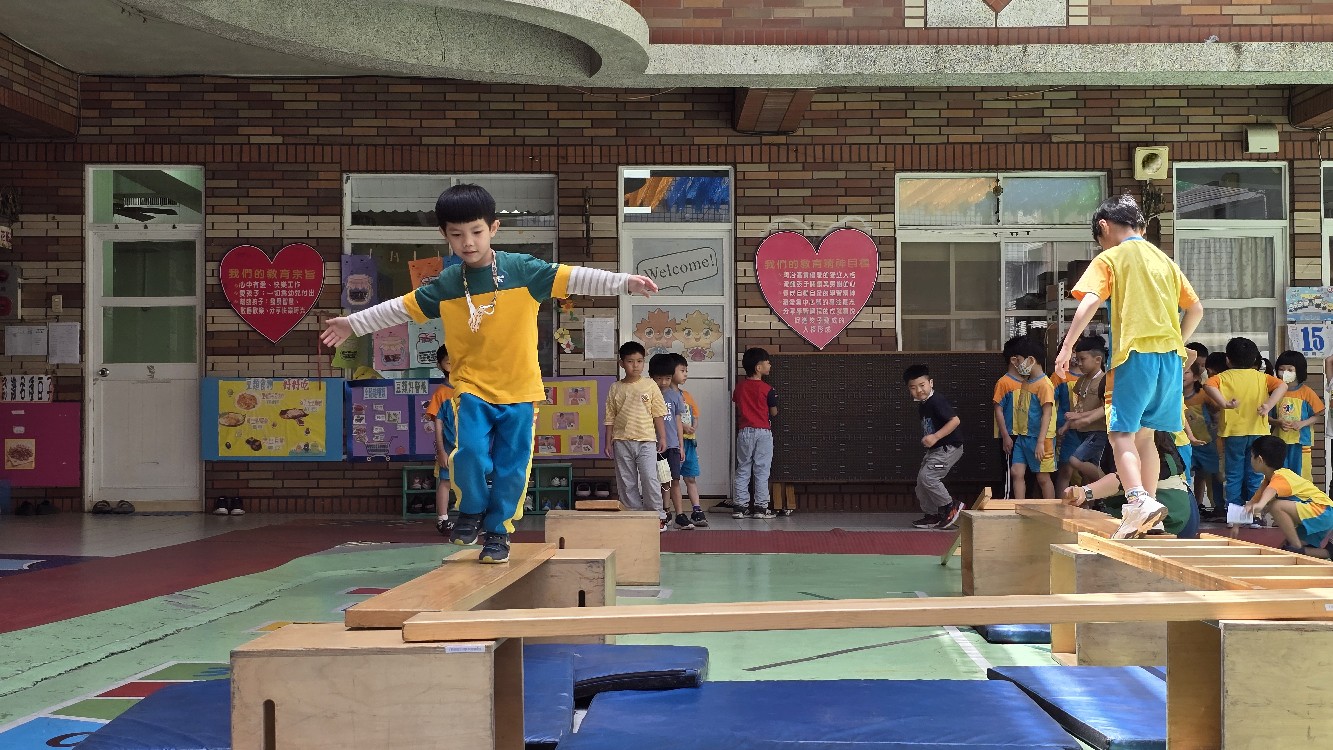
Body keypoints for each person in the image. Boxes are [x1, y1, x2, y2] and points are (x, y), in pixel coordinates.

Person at [320, 184, 659, 563]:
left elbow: (574, 277)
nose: (468, 242)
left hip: (521, 391)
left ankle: (498, 532)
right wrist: (353, 323)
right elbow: (399, 308)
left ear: (494, 228)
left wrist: (624, 282)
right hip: (472, 388)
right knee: (469, 454)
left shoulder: (523, 270)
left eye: (476, 231)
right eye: (457, 234)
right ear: (444, 235)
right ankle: (471, 510)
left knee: (513, 467)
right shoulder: (447, 284)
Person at [1055, 194, 1204, 539]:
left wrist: (1068, 345)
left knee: (1120, 433)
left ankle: (1137, 500)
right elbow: (1196, 309)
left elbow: (1091, 300)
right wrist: (1177, 344)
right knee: (1147, 436)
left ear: (1104, 227)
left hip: (1135, 355)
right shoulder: (1165, 261)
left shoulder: (1112, 257)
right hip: (1170, 359)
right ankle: (1150, 513)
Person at [1202, 336, 1287, 535]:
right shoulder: (1261, 377)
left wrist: (1224, 404)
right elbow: (1282, 386)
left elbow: (1207, 385)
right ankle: (1254, 515)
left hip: (1233, 433)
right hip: (1259, 432)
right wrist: (1268, 405)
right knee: (1255, 475)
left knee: (1233, 475)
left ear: (1228, 359)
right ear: (1255, 359)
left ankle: (1235, 517)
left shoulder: (1223, 377)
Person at [1065, 431, 1199, 538]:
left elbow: (1120, 479)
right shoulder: (1156, 431)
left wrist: (1085, 492)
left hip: (1170, 516)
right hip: (1185, 511)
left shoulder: (1127, 436)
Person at [605, 342, 668, 521]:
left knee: (649, 478)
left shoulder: (650, 385)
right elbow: (610, 416)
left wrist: (662, 437)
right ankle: (632, 514)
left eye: (639, 361)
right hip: (621, 440)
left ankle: (656, 515)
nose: (635, 365)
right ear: (622, 363)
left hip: (646, 440)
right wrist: (607, 441)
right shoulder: (615, 387)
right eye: (630, 361)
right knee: (626, 480)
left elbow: (658, 413)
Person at [1245, 435, 1333, 556]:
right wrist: (1237, 522)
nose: (1250, 460)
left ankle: (1296, 548)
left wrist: (1261, 505)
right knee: (1287, 548)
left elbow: (1271, 490)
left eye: (1251, 456)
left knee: (1276, 506)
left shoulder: (1281, 475)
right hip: (1321, 514)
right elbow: (1252, 502)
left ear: (1260, 459)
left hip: (1322, 511)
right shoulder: (1268, 480)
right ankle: (1319, 552)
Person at [903, 364, 966, 530]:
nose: (919, 390)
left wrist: (936, 436)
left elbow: (955, 421)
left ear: (931, 383)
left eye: (922, 385)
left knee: (928, 477)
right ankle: (933, 515)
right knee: (921, 483)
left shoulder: (936, 401)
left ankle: (950, 506)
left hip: (948, 447)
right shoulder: (923, 404)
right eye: (913, 388)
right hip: (936, 450)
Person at [994, 335, 1056, 500]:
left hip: (1040, 438)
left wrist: (1041, 442)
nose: (1017, 364)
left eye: (1019, 360)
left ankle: (1052, 509)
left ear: (1031, 360)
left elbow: (1047, 413)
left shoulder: (1045, 384)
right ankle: (1018, 506)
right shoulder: (1026, 382)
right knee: (1016, 471)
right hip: (1023, 436)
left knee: (1043, 477)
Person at [733, 347, 777, 519]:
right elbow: (773, 412)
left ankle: (740, 506)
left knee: (743, 468)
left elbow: (738, 404)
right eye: (767, 362)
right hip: (763, 432)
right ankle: (760, 507)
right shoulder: (768, 389)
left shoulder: (739, 388)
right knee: (762, 469)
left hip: (744, 431)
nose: (770, 365)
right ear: (759, 367)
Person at [650, 353, 693, 530]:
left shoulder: (675, 396)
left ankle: (680, 515)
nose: (663, 383)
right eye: (659, 378)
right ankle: (665, 512)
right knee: (662, 480)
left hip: (673, 445)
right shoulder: (649, 394)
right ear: (651, 377)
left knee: (675, 480)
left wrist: (681, 445)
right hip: (655, 445)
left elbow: (677, 420)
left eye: (667, 378)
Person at [1270, 350, 1324, 481]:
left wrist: (1302, 423)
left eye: (1290, 369)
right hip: (1279, 442)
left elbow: (1319, 413)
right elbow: (1267, 417)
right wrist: (1277, 422)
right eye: (1281, 369)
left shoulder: (1307, 392)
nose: (1285, 373)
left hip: (1301, 441)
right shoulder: (1274, 392)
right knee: (1281, 476)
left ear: (1299, 371)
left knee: (1301, 475)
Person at [1063, 334, 1109, 484]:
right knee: (1087, 471)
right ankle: (1097, 493)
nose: (1079, 363)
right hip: (1083, 431)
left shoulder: (1105, 380)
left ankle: (1111, 483)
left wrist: (1083, 417)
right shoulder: (1082, 380)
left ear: (1098, 360)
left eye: (1083, 359)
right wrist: (1067, 425)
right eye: (1078, 359)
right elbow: (1078, 405)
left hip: (1098, 431)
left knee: (1075, 460)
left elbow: (1106, 408)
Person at [673, 353, 710, 526]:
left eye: (686, 370)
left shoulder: (686, 395)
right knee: (673, 479)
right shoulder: (665, 395)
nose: (685, 374)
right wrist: (682, 427)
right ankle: (673, 512)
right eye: (682, 370)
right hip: (673, 443)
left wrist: (694, 425)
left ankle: (697, 510)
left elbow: (695, 414)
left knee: (690, 477)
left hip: (689, 442)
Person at [1183, 356, 1222, 519]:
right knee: (1185, 475)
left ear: (1196, 377)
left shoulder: (1203, 394)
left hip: (1206, 443)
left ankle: (1219, 506)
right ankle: (1188, 508)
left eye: (1186, 372)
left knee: (1212, 474)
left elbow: (1218, 410)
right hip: (1184, 443)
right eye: (1179, 372)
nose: (1182, 375)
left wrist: (1216, 424)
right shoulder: (1173, 395)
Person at [423, 344, 456, 536]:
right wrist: (441, 451)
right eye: (447, 360)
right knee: (445, 481)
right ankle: (443, 520)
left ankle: (475, 517)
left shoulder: (469, 389)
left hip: (471, 446)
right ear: (440, 364)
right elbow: (438, 424)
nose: (451, 362)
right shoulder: (441, 393)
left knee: (473, 481)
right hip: (449, 446)